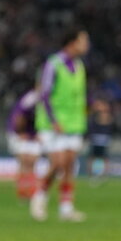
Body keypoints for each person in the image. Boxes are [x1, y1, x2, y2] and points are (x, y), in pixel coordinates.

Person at [31, 28, 90, 222]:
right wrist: (53, 120)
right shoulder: (54, 64)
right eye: (83, 41)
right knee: (57, 163)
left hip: (74, 124)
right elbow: (45, 93)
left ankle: (66, 208)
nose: (87, 45)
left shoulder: (80, 66)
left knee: (69, 166)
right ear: (72, 42)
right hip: (53, 124)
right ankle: (40, 196)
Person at [7, 87, 43, 200]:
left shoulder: (51, 98)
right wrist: (20, 133)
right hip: (19, 132)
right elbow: (18, 117)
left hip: (33, 133)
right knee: (23, 161)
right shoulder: (31, 98)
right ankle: (22, 192)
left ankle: (31, 191)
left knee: (32, 162)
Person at [86, 98, 113, 183]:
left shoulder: (106, 116)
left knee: (104, 158)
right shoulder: (93, 116)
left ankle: (103, 175)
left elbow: (105, 122)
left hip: (103, 140)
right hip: (95, 139)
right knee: (92, 158)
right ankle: (91, 175)